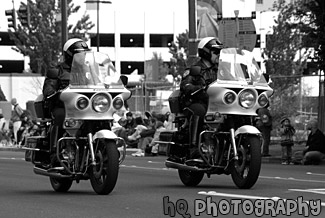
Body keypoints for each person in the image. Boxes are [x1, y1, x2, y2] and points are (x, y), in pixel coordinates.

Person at [42, 38, 90, 157]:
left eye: (84, 53)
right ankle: (54, 151)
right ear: (69, 54)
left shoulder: (90, 71)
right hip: (64, 107)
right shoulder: (56, 71)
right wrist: (55, 93)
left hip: (85, 107)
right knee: (60, 115)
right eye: (79, 54)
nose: (83, 56)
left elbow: (101, 84)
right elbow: (48, 90)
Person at [179, 37, 223, 155]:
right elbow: (185, 84)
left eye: (219, 52)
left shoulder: (221, 70)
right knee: (199, 111)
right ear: (206, 53)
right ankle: (194, 147)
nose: (219, 55)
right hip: (196, 101)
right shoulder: (194, 69)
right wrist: (196, 88)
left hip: (216, 102)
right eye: (215, 52)